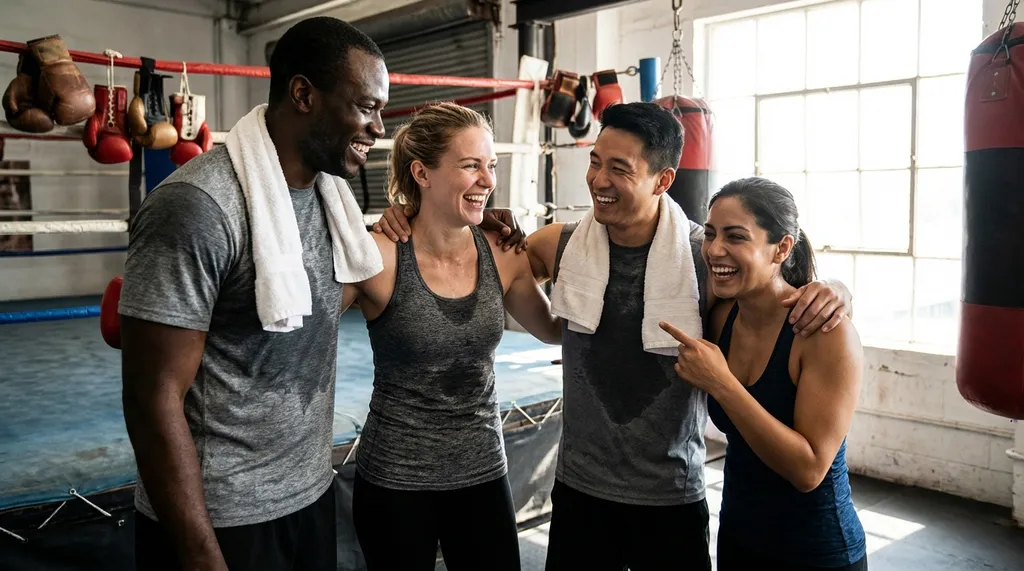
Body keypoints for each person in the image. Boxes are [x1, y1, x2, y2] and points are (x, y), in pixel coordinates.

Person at [374, 102, 853, 570]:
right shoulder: (560, 245)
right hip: (581, 491)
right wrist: (412, 212)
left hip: (670, 495)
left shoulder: (701, 260)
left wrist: (834, 289)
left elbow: (767, 290)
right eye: (595, 162)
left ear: (663, 181)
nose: (599, 180)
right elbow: (488, 250)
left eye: (619, 169)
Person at [118, 17, 388, 571]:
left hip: (308, 497)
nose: (379, 127)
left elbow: (316, 309)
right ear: (303, 94)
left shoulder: (331, 200)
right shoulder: (199, 205)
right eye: (366, 107)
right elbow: (151, 400)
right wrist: (199, 557)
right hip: (221, 521)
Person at [343, 102, 560, 570]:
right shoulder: (378, 255)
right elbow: (300, 327)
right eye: (470, 166)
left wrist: (614, 267)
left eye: (491, 166)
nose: (488, 180)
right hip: (396, 478)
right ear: (421, 173)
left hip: (482, 468)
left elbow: (554, 329)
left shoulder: (503, 251)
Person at [659, 177, 867, 570]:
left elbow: (809, 470)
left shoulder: (825, 335)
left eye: (736, 237)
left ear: (782, 248)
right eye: (711, 234)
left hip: (817, 551)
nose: (715, 250)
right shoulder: (721, 316)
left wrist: (723, 384)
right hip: (740, 539)